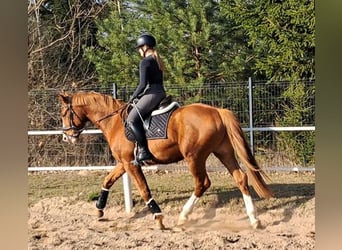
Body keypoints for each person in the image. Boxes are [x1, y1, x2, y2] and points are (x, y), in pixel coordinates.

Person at [126, 33, 167, 163]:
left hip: (152, 93)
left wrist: (133, 97)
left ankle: (143, 151)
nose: (138, 51)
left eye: (139, 48)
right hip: (160, 92)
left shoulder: (145, 62)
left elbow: (143, 85)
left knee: (131, 119)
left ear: (144, 47)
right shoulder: (157, 59)